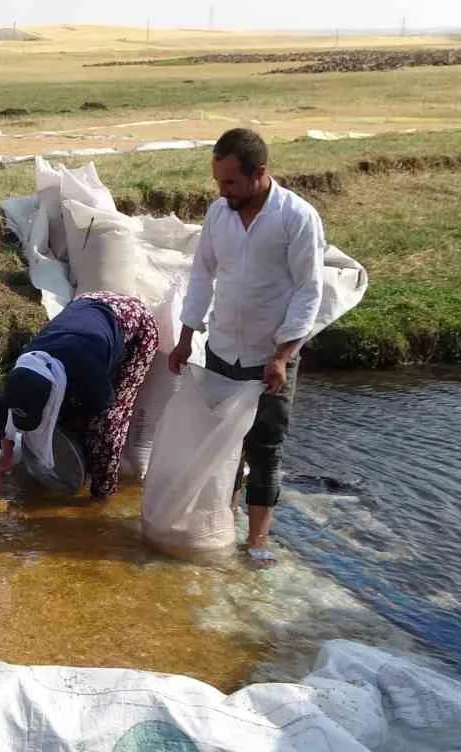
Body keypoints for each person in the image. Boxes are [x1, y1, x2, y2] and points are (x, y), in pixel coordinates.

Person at [168, 128, 326, 567]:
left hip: (269, 357)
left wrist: (281, 355)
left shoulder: (296, 217)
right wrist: (185, 338)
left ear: (259, 174)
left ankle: (257, 542)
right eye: (218, 182)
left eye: (230, 182)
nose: (222, 191)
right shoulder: (219, 215)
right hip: (222, 350)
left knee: (265, 448)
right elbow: (202, 276)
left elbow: (309, 291)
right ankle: (224, 523)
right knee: (221, 445)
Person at [0, 292, 159, 499]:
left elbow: (104, 407)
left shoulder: (86, 369)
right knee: (70, 413)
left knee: (110, 421)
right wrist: (5, 457)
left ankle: (104, 494)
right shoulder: (19, 378)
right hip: (84, 306)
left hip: (133, 320)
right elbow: (6, 424)